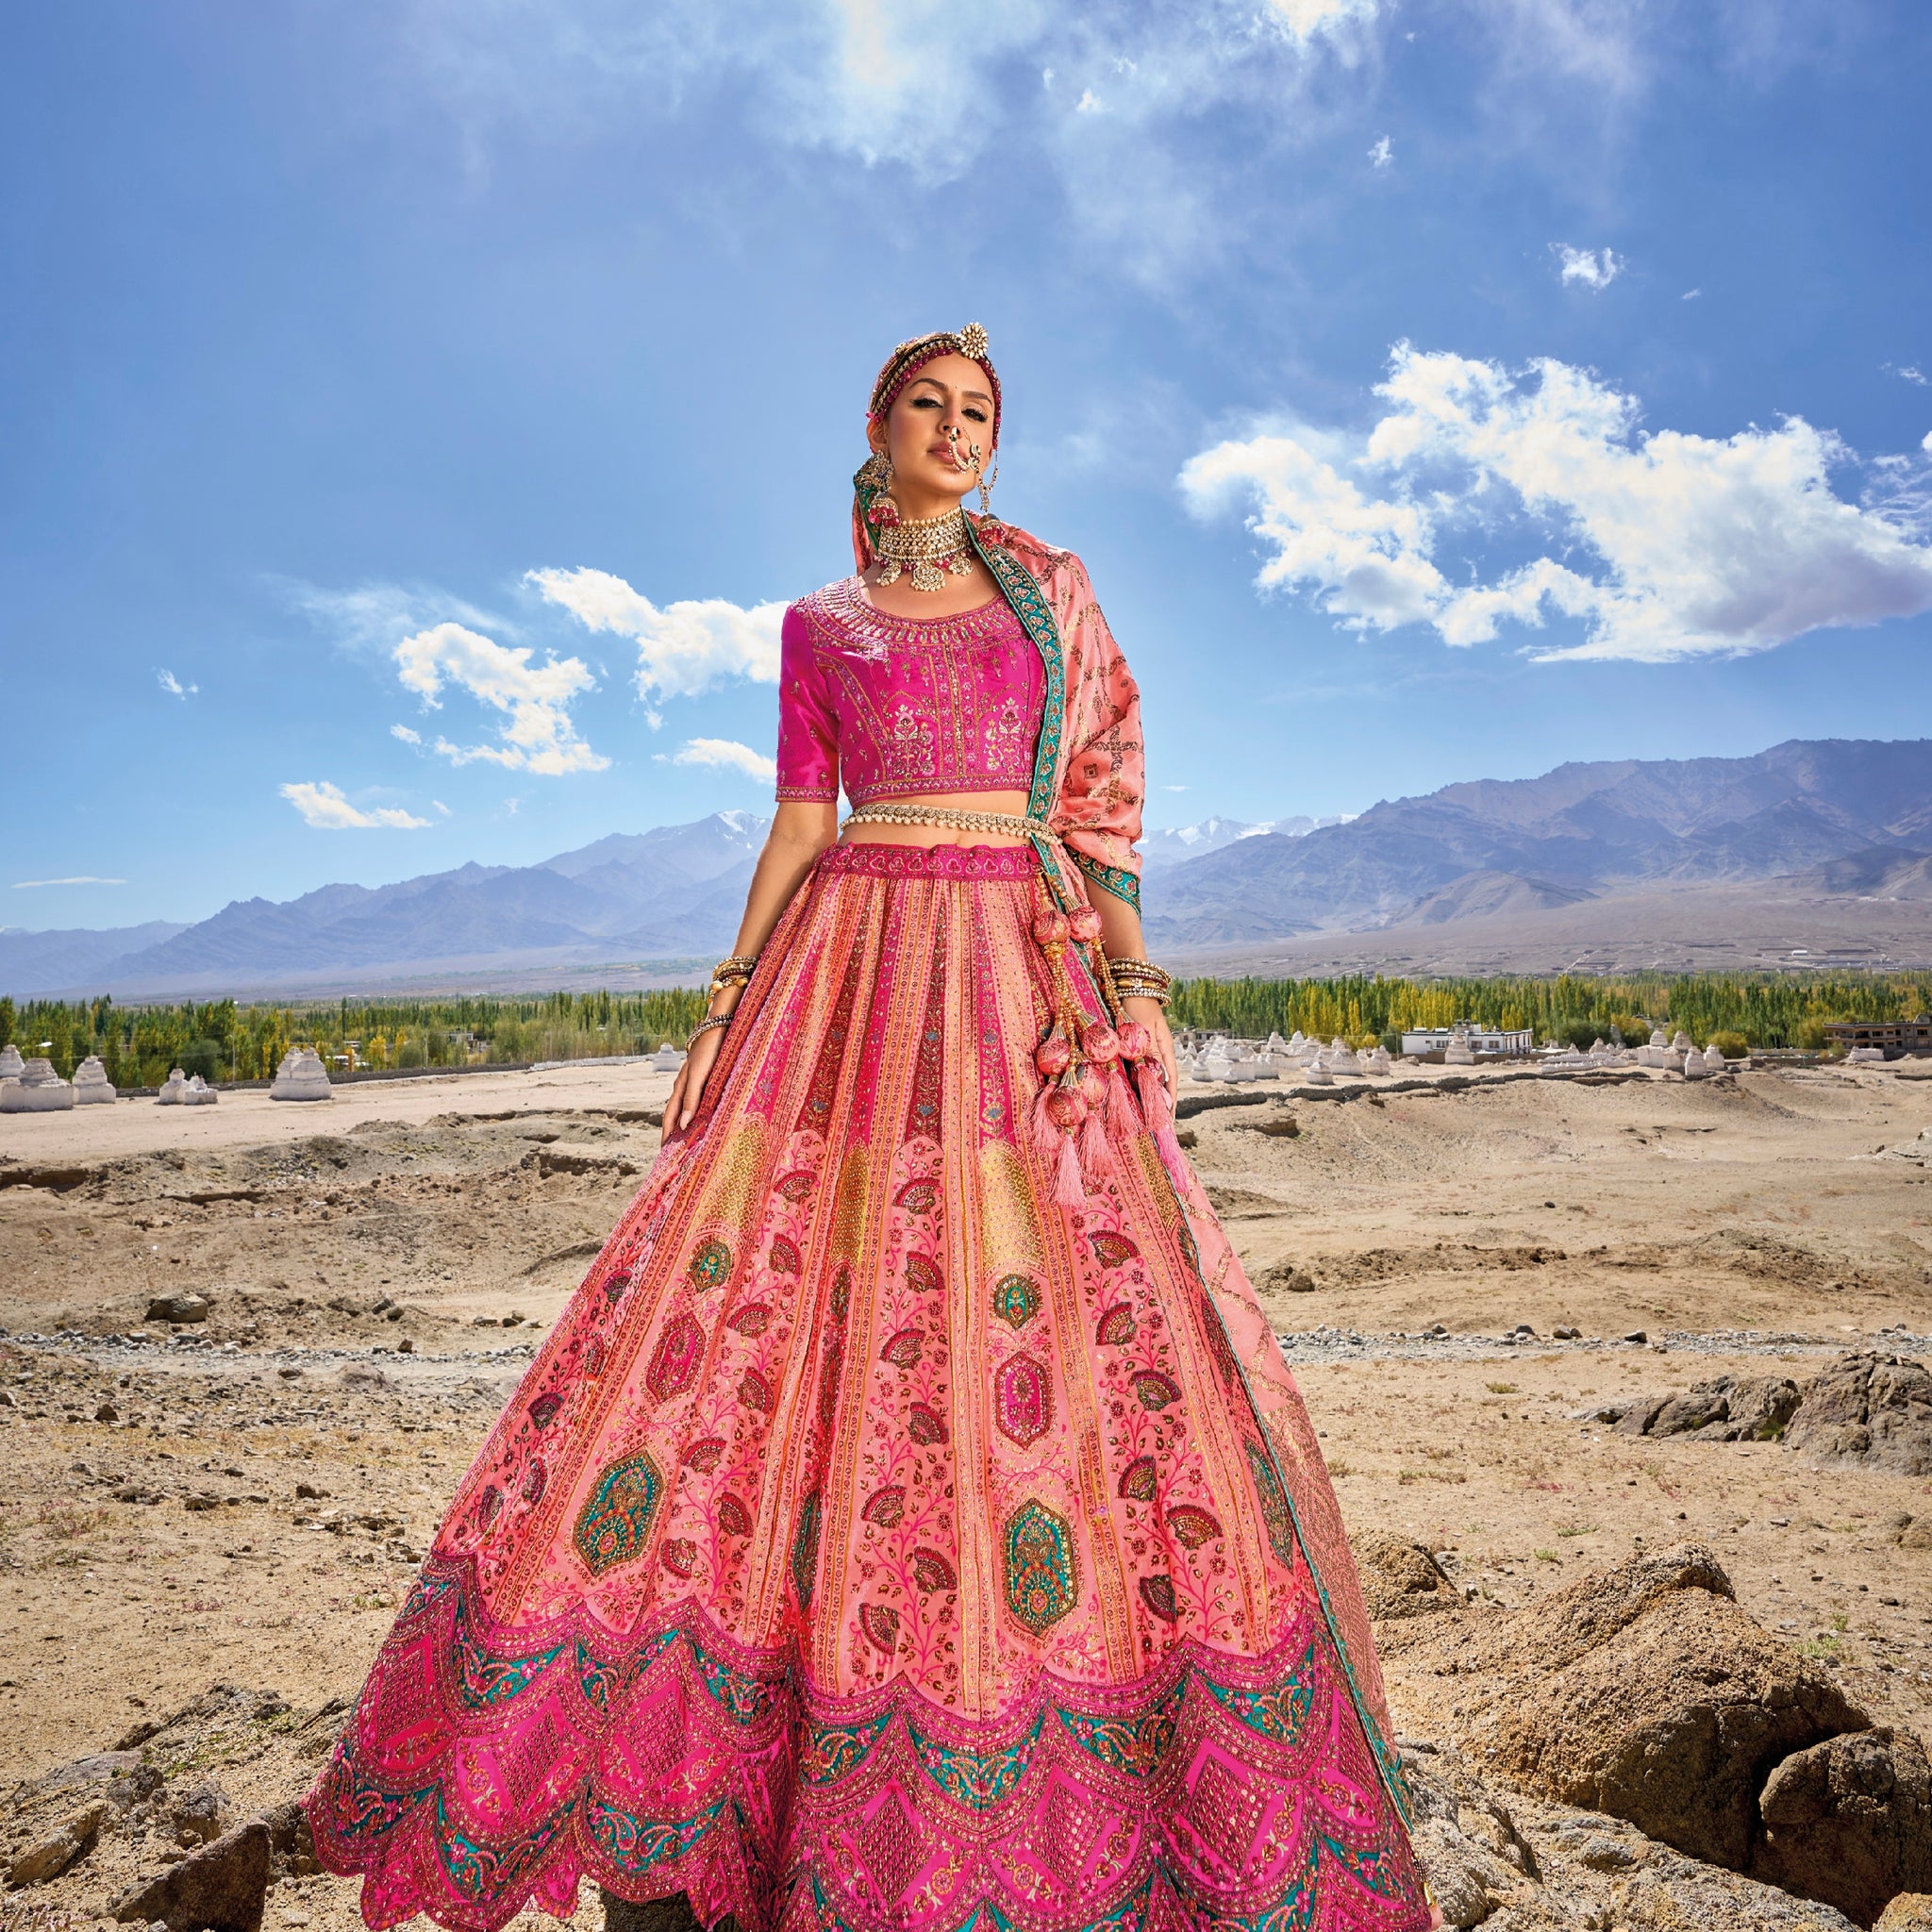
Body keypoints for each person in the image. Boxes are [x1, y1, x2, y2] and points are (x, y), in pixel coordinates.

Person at [304, 325, 1437, 1932]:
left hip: (1015, 972)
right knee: (800, 1313)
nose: (960, 431)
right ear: (877, 423)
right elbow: (798, 819)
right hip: (850, 963)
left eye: (983, 413)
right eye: (932, 406)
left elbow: (1106, 797)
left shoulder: (1052, 603)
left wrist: (1135, 985)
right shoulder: (815, 625)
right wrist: (722, 1002)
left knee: (1037, 1302)